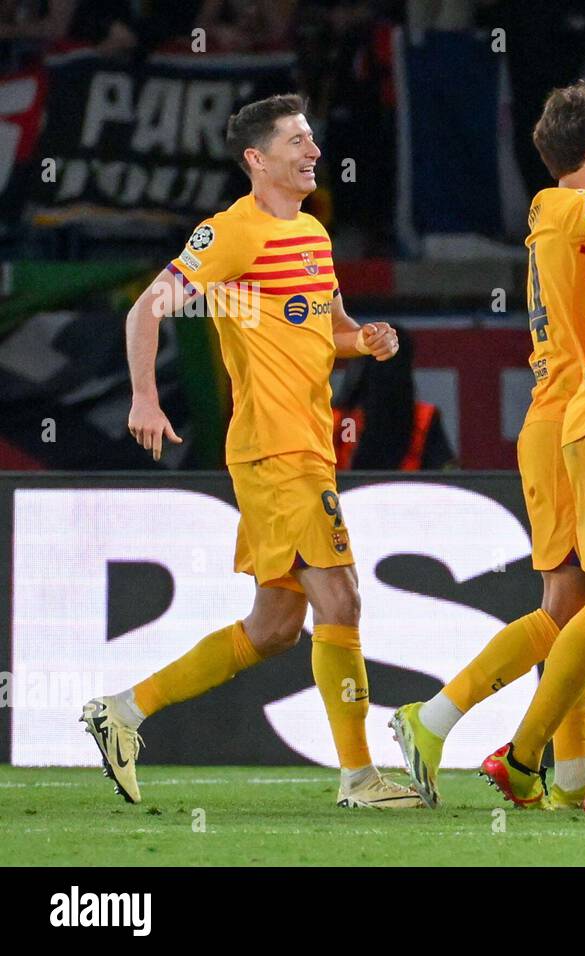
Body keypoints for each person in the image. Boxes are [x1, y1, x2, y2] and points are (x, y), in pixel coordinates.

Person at [82, 93, 422, 809]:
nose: (313, 151)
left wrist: (366, 339)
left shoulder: (313, 235)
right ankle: (360, 778)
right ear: (255, 159)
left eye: (313, 138)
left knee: (274, 627)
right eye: (297, 140)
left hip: (308, 443)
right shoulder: (230, 234)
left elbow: (330, 328)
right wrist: (145, 396)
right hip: (274, 447)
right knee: (342, 597)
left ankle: (123, 711)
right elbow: (149, 307)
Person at [388, 83, 585, 810]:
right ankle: (436, 719)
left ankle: (566, 777)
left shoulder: (584, 224)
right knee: (572, 608)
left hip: (572, 421)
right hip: (572, 420)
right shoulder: (558, 206)